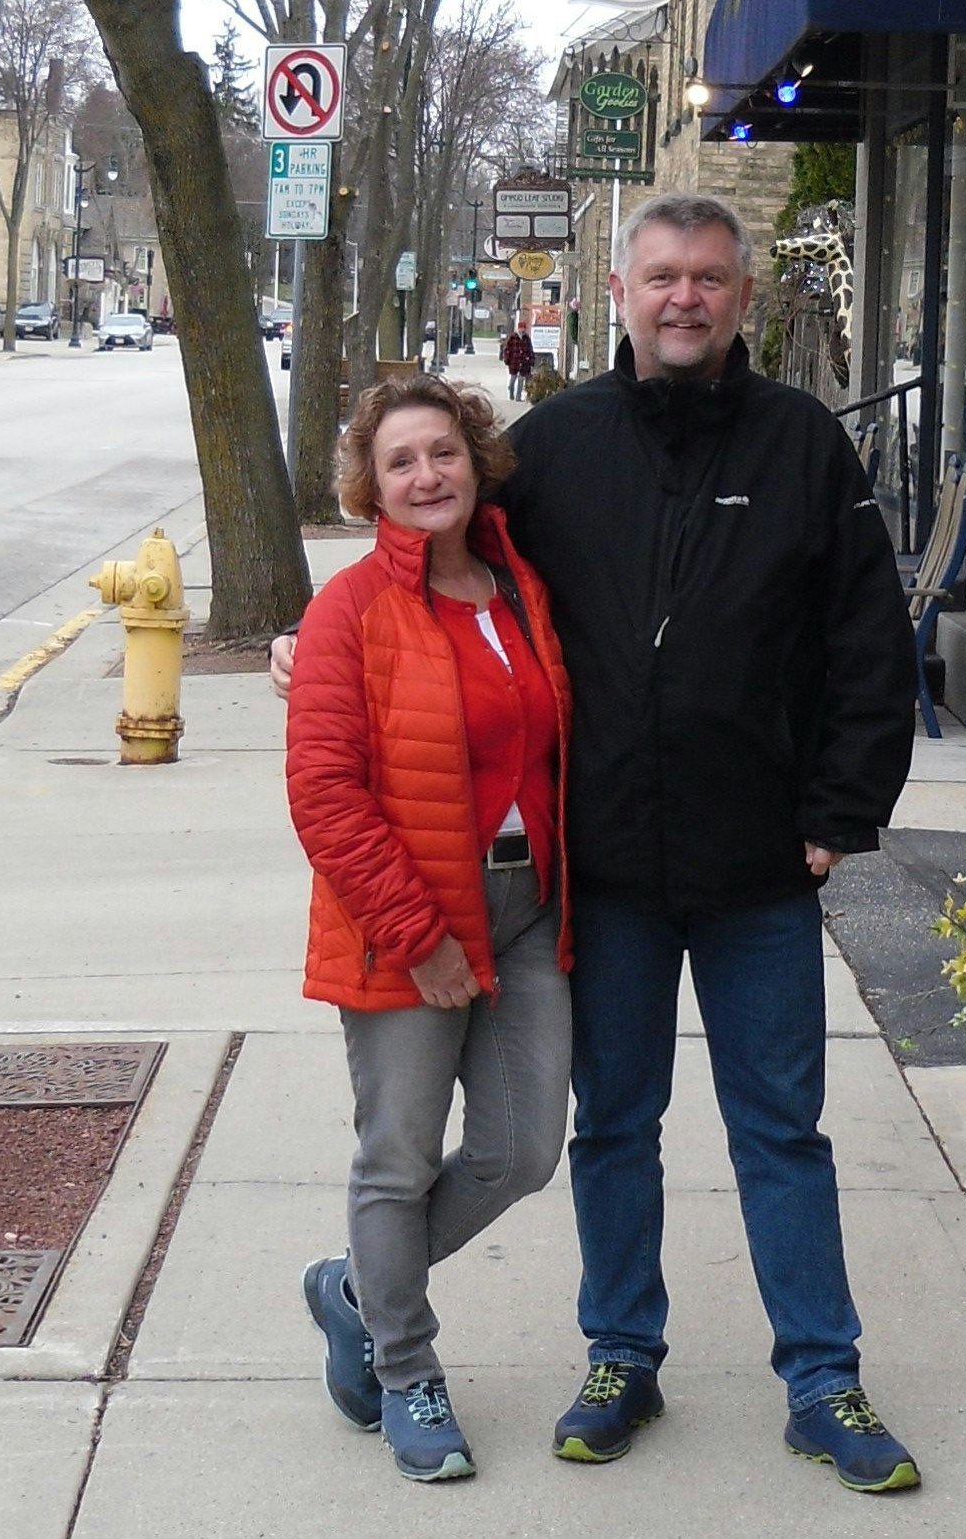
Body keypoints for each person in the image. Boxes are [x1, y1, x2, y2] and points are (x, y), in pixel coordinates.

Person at [278, 193, 920, 1494]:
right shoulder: (555, 447)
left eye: (708, 278)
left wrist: (840, 810)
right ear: (621, 291)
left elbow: (869, 639)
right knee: (611, 1124)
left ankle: (823, 1374)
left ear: (739, 296)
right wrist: (322, 639)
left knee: (780, 1128)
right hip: (608, 876)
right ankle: (623, 1351)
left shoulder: (801, 443)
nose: (684, 297)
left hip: (758, 873)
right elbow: (437, 538)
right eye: (661, 276)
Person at [285, 373, 576, 1484]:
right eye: (401, 461)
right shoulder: (348, 612)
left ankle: (355, 1289)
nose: (425, 476)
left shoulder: (519, 590)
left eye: (442, 454)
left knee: (522, 1149)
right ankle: (405, 1369)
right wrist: (422, 936)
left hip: (525, 911)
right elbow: (324, 794)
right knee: (398, 1158)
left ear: (475, 461)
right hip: (408, 924)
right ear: (373, 487)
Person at [500, 324, 535, 401]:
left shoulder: (527, 339)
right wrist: (506, 359)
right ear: (518, 329)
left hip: (524, 363)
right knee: (512, 380)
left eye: (523, 329)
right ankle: (511, 392)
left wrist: (531, 362)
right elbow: (507, 349)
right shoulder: (512, 337)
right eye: (521, 328)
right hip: (514, 362)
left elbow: (530, 351)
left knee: (521, 380)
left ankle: (518, 397)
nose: (522, 330)